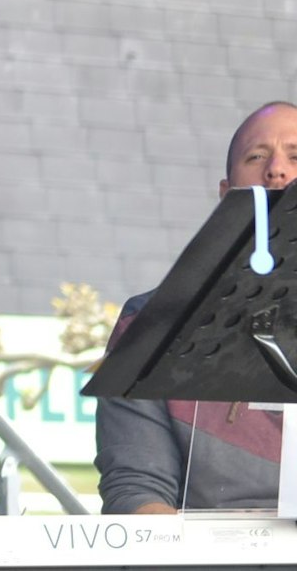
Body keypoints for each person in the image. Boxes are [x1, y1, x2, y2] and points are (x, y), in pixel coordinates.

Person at [95, 101, 297, 513]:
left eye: (296, 157)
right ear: (226, 196)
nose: (276, 170)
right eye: (256, 156)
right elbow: (138, 487)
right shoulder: (151, 324)